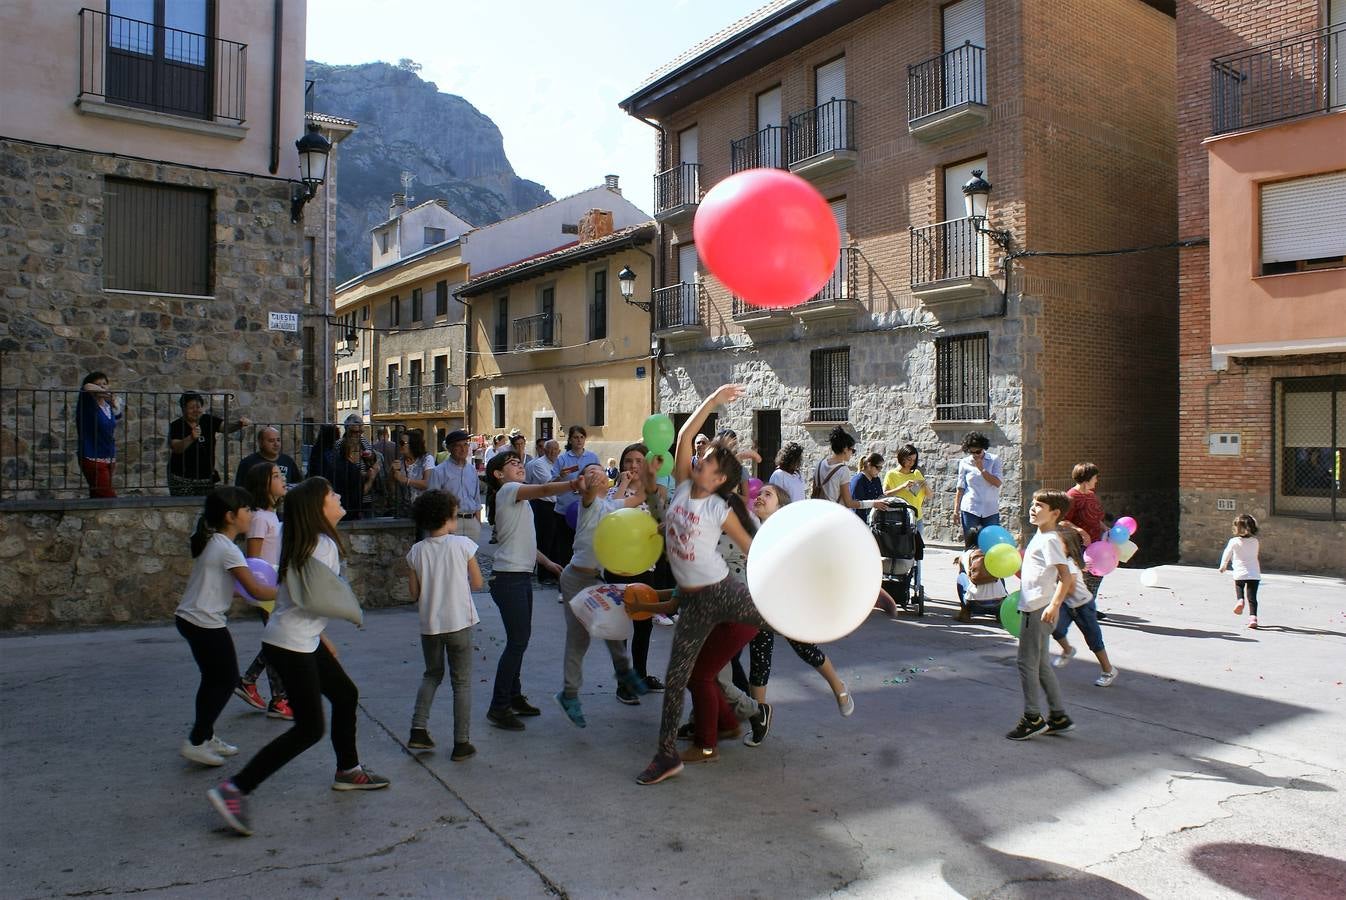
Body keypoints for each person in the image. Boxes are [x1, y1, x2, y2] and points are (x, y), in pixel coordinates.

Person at [207, 478, 390, 838]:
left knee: (345, 694)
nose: (339, 496)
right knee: (309, 729)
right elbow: (315, 598)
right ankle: (236, 788)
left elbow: (299, 596)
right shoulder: (321, 545)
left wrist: (322, 637)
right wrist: (351, 611)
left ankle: (348, 770)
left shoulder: (308, 541)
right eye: (331, 494)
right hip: (291, 642)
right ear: (317, 509)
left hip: (298, 637)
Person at [623, 384, 772, 785]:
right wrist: (714, 400)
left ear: (720, 477)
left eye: (706, 461)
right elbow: (687, 432)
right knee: (678, 678)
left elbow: (754, 549)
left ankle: (852, 602)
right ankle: (667, 755)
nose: (698, 459)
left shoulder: (721, 508)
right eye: (700, 458)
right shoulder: (685, 485)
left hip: (725, 592)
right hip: (694, 603)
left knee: (785, 620)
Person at [175, 486, 277, 767]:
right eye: (247, 509)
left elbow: (233, 588)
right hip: (203, 621)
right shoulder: (227, 549)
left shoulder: (215, 542)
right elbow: (255, 590)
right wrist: (289, 590)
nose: (251, 514)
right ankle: (196, 741)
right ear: (231, 516)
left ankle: (205, 736)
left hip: (193, 619)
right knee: (225, 680)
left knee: (213, 680)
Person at [482, 451, 578, 731]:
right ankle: (499, 707)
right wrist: (573, 484)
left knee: (519, 641)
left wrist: (548, 563)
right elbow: (546, 489)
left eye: (519, 462)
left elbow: (524, 541)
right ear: (499, 475)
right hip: (509, 579)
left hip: (520, 577)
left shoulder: (517, 501)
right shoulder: (509, 490)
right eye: (511, 464)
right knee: (517, 642)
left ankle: (513, 697)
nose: (518, 465)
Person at [745, 484, 854, 717]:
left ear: (781, 507)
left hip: (787, 604)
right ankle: (759, 716)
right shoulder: (748, 531)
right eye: (760, 493)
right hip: (760, 606)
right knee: (759, 657)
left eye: (768, 494)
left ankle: (838, 687)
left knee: (805, 649)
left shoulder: (787, 536)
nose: (760, 497)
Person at [554, 464, 650, 727]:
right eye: (591, 472)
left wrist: (644, 474)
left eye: (600, 471)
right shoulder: (589, 504)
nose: (598, 474)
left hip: (596, 580)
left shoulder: (611, 508)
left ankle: (624, 673)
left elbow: (639, 498)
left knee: (614, 630)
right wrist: (587, 485)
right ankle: (569, 694)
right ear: (584, 481)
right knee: (579, 638)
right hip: (575, 579)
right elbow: (588, 494)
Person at [406, 490, 484, 760]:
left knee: (432, 674)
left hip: (430, 625)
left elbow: (413, 593)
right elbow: (477, 582)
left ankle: (418, 728)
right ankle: (461, 742)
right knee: (461, 682)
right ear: (448, 517)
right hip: (459, 621)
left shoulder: (416, 552)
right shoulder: (462, 545)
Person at [601, 442, 675, 685]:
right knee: (620, 626)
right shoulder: (613, 492)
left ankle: (641, 675)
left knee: (643, 625)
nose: (632, 466)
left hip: (645, 565)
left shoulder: (657, 493)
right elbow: (611, 513)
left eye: (638, 462)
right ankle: (624, 681)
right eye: (628, 462)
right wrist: (623, 483)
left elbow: (660, 521)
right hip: (617, 566)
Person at [1007, 489, 1075, 741]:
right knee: (1042, 664)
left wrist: (1054, 605)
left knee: (1026, 663)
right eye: (1033, 504)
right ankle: (1058, 716)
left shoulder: (1050, 540)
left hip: (1038, 610)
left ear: (1055, 513)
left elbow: (1065, 577)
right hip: (1035, 607)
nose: (1033, 509)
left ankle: (1032, 718)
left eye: (1040, 506)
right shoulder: (1041, 536)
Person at [233, 462, 292, 720]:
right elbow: (253, 561)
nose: (283, 480)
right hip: (266, 589)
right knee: (277, 642)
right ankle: (279, 700)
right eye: (277, 476)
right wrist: (260, 591)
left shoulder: (271, 516)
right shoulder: (259, 518)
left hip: (274, 586)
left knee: (276, 641)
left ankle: (248, 681)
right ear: (264, 485)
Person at [1049, 525, 1118, 686]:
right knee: (1055, 628)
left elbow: (1070, 587)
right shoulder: (1058, 562)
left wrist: (1052, 596)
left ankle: (1108, 670)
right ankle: (1068, 650)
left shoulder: (1069, 564)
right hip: (1067, 604)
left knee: (1094, 640)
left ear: (1068, 547)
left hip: (1083, 606)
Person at [168, 392, 251, 496]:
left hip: (206, 478)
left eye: (198, 407)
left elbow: (225, 427)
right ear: (183, 409)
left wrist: (239, 424)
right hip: (182, 478)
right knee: (182, 506)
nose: (196, 410)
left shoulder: (208, 420)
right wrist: (191, 438)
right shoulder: (176, 425)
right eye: (191, 407)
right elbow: (176, 448)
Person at [551, 425, 601, 567]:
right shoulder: (562, 459)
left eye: (581, 437)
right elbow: (551, 484)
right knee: (565, 548)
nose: (579, 440)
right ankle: (564, 580)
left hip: (586, 509)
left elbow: (600, 480)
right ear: (570, 440)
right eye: (575, 437)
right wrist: (560, 476)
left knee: (586, 547)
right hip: (564, 509)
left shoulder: (592, 457)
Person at [426, 430, 484, 543]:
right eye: (458, 446)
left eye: (465, 444)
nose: (463, 449)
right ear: (449, 448)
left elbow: (476, 498)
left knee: (470, 558)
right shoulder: (439, 471)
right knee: (452, 558)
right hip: (450, 522)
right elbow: (433, 501)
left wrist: (478, 521)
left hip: (471, 521)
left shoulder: (472, 470)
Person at [74, 371, 122, 498]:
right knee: (107, 496)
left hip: (108, 456)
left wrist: (114, 403)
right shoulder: (87, 402)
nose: (102, 387)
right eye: (98, 384)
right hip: (92, 455)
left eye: (105, 384)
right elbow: (87, 387)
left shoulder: (107, 406)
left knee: (97, 495)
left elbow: (117, 416)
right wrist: (105, 391)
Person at [526, 439, 562, 584]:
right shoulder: (539, 464)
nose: (553, 452)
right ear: (545, 451)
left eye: (556, 449)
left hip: (556, 505)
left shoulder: (559, 463)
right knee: (544, 540)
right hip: (542, 505)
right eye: (550, 449)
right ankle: (543, 575)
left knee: (555, 540)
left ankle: (554, 573)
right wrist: (563, 477)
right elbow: (548, 485)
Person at [953, 526, 1008, 622]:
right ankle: (1000, 614)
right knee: (999, 576)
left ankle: (965, 612)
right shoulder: (993, 553)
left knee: (962, 576)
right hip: (998, 603)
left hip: (975, 604)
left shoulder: (965, 555)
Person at [954, 431, 1003, 537]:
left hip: (990, 509)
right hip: (970, 508)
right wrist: (956, 510)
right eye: (972, 452)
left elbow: (997, 483)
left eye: (978, 451)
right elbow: (960, 488)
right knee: (972, 544)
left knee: (991, 542)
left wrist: (982, 469)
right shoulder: (964, 462)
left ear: (983, 448)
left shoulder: (994, 460)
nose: (976, 455)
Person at [1219, 514, 1262, 629]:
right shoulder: (1255, 542)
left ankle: (1240, 600)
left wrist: (1223, 565)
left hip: (1240, 572)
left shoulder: (1234, 541)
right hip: (1254, 573)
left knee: (1239, 586)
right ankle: (1253, 618)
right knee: (1252, 597)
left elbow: (1227, 553)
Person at [329, 428, 376, 521]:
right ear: (350, 453)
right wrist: (371, 478)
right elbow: (360, 492)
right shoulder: (353, 469)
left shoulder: (336, 465)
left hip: (337, 509)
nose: (361, 454)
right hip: (349, 513)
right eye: (358, 451)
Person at [234, 426, 303, 487]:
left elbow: (297, 484)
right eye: (271, 441)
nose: (276, 444)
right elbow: (240, 489)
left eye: (278, 440)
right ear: (261, 443)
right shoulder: (248, 463)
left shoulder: (288, 461)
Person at [390, 429, 437, 507]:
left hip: (424, 507)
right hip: (404, 508)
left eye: (402, 443)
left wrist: (406, 481)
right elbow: (393, 489)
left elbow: (427, 483)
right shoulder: (399, 462)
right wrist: (392, 474)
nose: (399, 445)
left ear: (413, 444)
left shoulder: (426, 459)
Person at [849, 453, 885, 524]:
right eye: (878, 467)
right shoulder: (858, 480)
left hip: (874, 522)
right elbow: (855, 505)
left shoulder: (876, 479)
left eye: (881, 468)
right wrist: (873, 503)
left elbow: (880, 496)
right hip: (860, 522)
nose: (880, 470)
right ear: (869, 466)